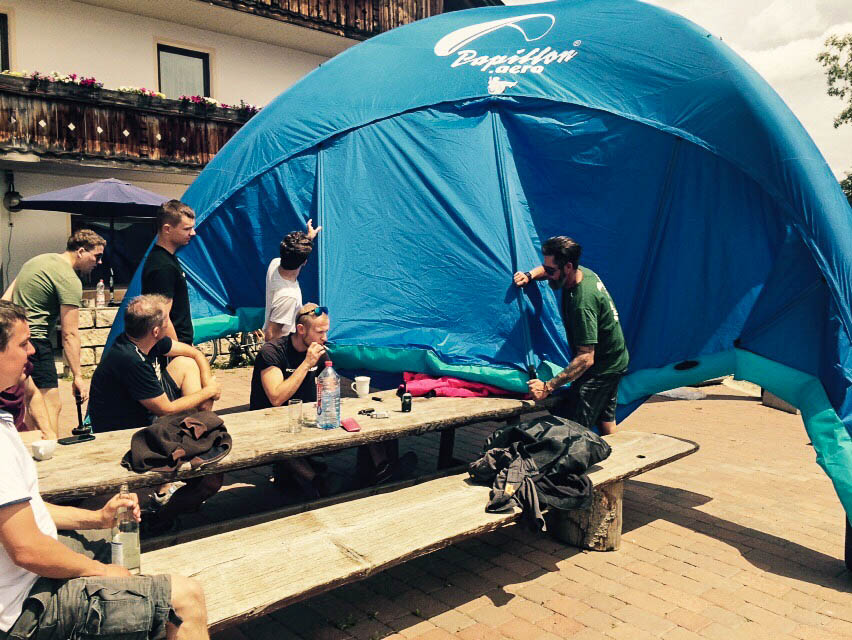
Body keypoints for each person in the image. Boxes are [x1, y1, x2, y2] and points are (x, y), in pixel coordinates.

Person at [0, 300, 209, 640]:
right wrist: (100, 571)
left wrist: (97, 518)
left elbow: (26, 509)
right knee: (187, 599)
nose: (33, 350)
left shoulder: (4, 420)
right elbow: (26, 549)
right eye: (23, 343)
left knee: (115, 541)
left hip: (22, 579)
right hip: (22, 608)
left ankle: (132, 613)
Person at [250, 303, 415, 496]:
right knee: (281, 443)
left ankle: (383, 468)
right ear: (301, 330)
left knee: (361, 417)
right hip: (271, 421)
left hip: (306, 416)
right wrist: (306, 364)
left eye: (326, 331)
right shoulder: (272, 352)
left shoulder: (319, 351)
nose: (325, 338)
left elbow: (329, 387)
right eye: (320, 332)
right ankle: (318, 483)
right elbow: (276, 398)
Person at [89, 294, 222, 528]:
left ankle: (200, 428)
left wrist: (206, 377)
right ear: (156, 331)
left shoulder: (145, 341)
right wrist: (208, 391)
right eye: (167, 320)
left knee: (187, 364)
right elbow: (165, 409)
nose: (170, 323)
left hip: (146, 417)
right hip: (125, 436)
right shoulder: (131, 359)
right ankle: (162, 515)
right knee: (212, 479)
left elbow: (194, 353)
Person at [513, 236, 629, 435]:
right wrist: (529, 275)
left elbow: (586, 358)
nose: (547, 274)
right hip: (615, 359)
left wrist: (547, 387)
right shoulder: (580, 272)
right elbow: (547, 269)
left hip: (602, 368)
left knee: (573, 430)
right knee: (606, 422)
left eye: (551, 271)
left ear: (567, 267)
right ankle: (617, 453)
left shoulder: (582, 303)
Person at [2, 229, 106, 434]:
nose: (99, 262)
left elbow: (5, 300)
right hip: (36, 343)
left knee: (29, 403)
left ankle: (33, 447)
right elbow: (69, 334)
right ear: (81, 251)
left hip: (12, 340)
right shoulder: (69, 279)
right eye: (97, 256)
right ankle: (52, 449)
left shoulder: (36, 261)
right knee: (50, 405)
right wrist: (78, 376)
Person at [142, 200, 197, 345]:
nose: (193, 233)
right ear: (167, 229)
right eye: (187, 229)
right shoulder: (162, 266)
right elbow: (162, 318)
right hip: (172, 348)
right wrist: (179, 352)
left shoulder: (168, 259)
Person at [263, 221, 322, 342]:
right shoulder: (289, 297)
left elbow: (293, 253)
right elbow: (271, 336)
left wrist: (308, 238)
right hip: (283, 348)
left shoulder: (275, 264)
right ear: (304, 262)